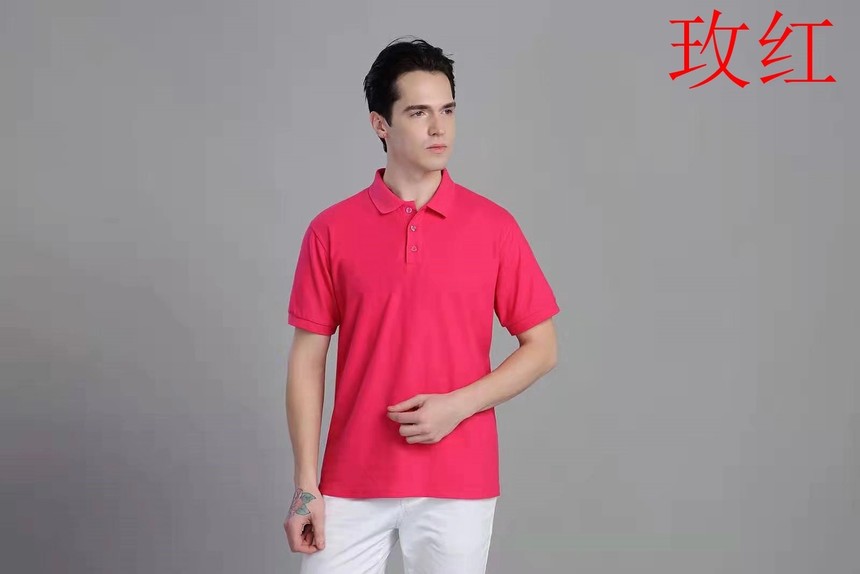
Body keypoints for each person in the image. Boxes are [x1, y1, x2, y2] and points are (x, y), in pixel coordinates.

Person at [283, 36, 560, 574]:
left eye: (447, 110)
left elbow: (542, 348)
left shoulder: (494, 227)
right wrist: (305, 486)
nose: (439, 128)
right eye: (418, 112)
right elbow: (307, 360)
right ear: (380, 125)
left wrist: (458, 406)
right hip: (350, 482)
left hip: (458, 484)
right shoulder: (331, 231)